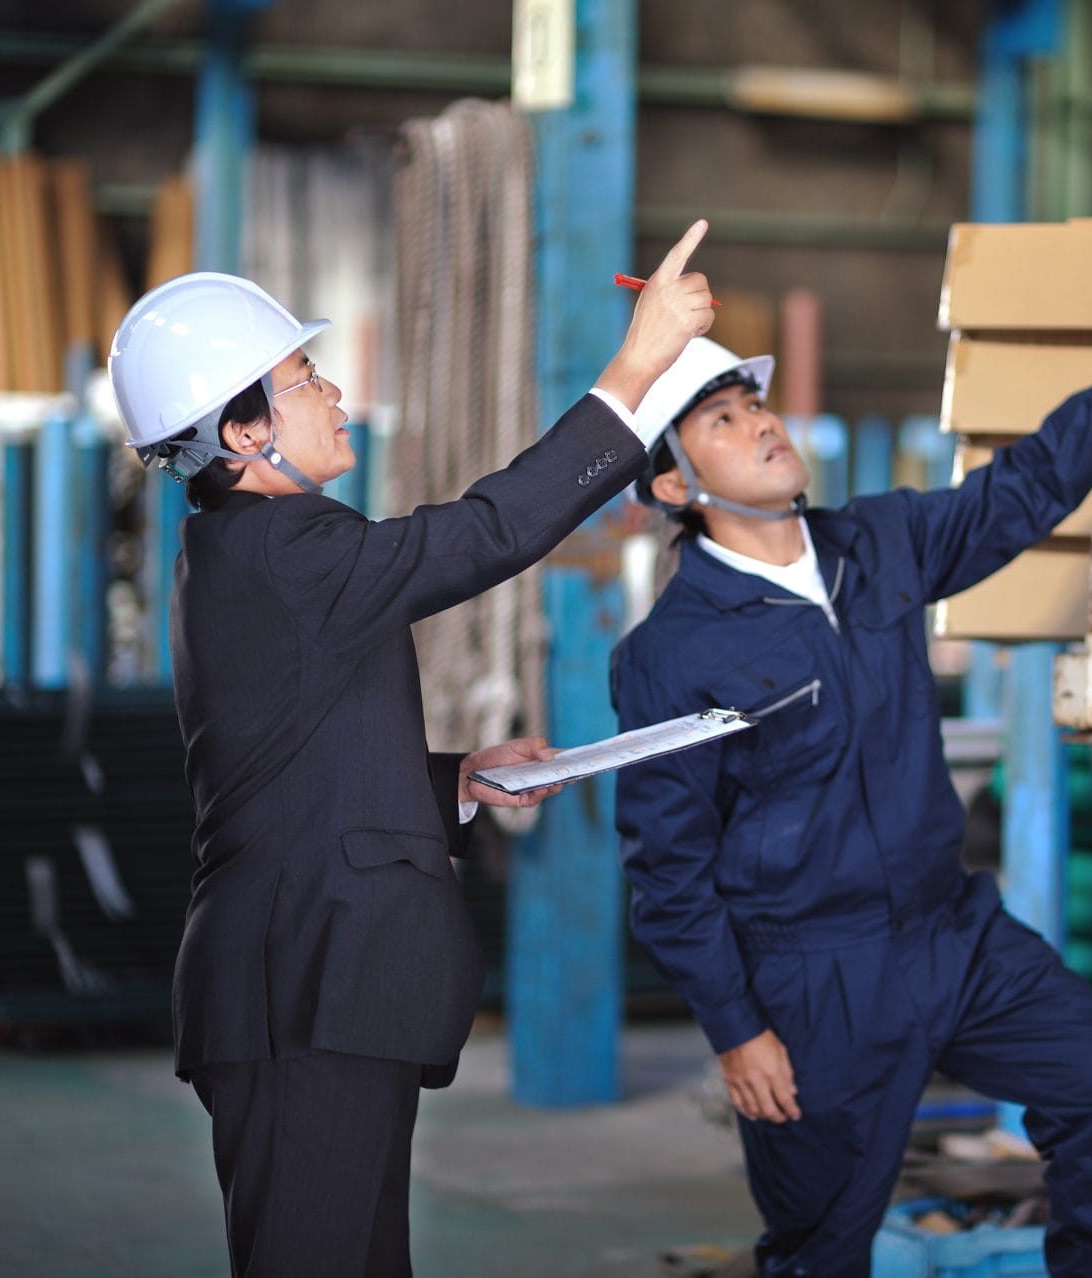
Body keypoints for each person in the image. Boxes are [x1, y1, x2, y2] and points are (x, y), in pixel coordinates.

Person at [610, 256, 1092, 1278]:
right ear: (675, 484)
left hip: (954, 935)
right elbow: (667, 868)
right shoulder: (669, 653)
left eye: (754, 403)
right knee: (824, 1242)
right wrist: (737, 1030)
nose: (763, 425)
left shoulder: (880, 543)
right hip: (816, 979)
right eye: (721, 421)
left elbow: (1024, 489)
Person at [107, 220, 717, 1278]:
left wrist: (450, 782)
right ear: (243, 433)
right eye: (304, 380)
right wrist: (640, 363)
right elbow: (490, 531)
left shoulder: (238, 556)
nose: (334, 395)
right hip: (306, 984)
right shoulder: (291, 547)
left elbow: (283, 764)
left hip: (303, 982)